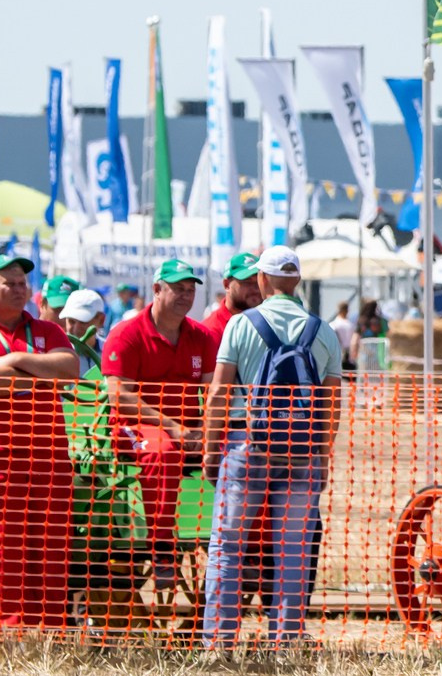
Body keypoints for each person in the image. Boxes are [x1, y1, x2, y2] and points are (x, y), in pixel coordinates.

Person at [200, 246, 344, 651]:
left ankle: (219, 641)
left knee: (228, 546)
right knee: (293, 549)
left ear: (262, 280)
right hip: (303, 450)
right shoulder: (324, 330)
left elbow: (217, 394)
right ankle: (287, 638)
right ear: (296, 281)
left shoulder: (241, 325)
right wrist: (322, 454)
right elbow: (332, 403)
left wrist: (212, 452)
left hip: (247, 444)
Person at [0, 254, 81, 631]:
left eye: (23, 282)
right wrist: (42, 375)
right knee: (2, 545)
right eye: (10, 282)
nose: (20, 288)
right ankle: (16, 629)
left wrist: (15, 359)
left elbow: (70, 370)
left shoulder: (47, 330)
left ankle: (52, 628)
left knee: (51, 544)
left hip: (49, 454)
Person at [100, 258, 217, 594]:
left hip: (187, 430)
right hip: (133, 428)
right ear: (156, 290)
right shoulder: (127, 334)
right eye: (178, 288)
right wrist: (174, 428)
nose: (186, 295)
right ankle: (162, 548)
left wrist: (207, 431)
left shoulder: (202, 337)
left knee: (241, 450)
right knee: (162, 450)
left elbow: (212, 392)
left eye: (190, 289)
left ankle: (246, 552)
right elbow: (119, 397)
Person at [200, 253, 263, 342]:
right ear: (226, 285)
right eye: (247, 282)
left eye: (259, 282)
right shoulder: (210, 330)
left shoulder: (269, 321)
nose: (255, 289)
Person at [58, 288, 110, 372]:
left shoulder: (112, 352)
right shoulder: (56, 353)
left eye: (83, 321)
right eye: (71, 321)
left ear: (101, 320)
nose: (76, 328)